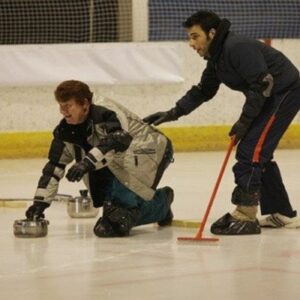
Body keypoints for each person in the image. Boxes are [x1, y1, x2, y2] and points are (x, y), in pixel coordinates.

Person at [143, 10, 300, 235]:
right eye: (189, 37)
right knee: (257, 151)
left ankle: (246, 214)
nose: (191, 43)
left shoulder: (236, 47)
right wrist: (173, 113)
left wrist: (244, 121)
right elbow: (204, 90)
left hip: (284, 92)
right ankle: (282, 213)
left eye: (195, 36)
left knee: (251, 151)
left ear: (212, 33)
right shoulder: (217, 58)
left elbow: (263, 84)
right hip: (268, 95)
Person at [25, 80, 174, 237]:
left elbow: (117, 141)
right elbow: (54, 167)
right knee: (113, 217)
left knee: (118, 221)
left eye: (68, 105)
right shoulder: (65, 131)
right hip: (121, 162)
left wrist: (86, 163)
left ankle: (161, 204)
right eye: (60, 105)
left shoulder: (106, 112)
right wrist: (40, 204)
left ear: (85, 104)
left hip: (149, 152)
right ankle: (155, 203)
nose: (63, 111)